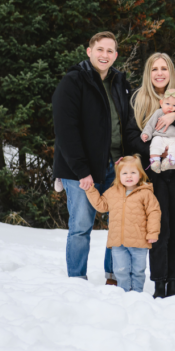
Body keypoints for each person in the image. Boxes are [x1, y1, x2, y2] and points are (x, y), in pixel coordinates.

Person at [53, 31, 140, 283]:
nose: (105, 55)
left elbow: (127, 124)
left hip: (116, 168)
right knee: (81, 227)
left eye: (110, 51)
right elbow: (66, 130)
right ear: (89, 51)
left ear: (115, 55)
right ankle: (76, 278)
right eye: (100, 50)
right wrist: (82, 170)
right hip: (80, 170)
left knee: (118, 224)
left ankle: (112, 275)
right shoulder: (73, 81)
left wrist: (131, 160)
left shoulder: (120, 82)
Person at [131, 53, 175, 298]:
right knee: (158, 229)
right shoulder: (138, 100)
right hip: (153, 174)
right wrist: (155, 156)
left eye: (164, 68)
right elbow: (132, 136)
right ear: (148, 73)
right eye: (154, 69)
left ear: (171, 72)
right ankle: (159, 282)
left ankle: (174, 281)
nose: (159, 73)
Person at [84, 155, 160, 293]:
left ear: (140, 174)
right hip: (118, 242)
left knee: (138, 270)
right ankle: (123, 292)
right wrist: (91, 190)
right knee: (121, 270)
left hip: (139, 241)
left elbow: (154, 212)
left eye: (133, 172)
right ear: (119, 175)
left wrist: (153, 233)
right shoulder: (113, 192)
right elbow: (102, 206)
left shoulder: (145, 193)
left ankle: (137, 293)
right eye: (124, 173)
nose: (129, 176)